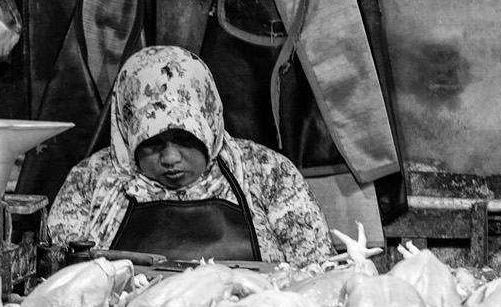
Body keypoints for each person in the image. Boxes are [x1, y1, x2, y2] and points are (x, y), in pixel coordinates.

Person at [45, 45, 334, 267]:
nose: (170, 158)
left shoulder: (267, 171)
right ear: (129, 135)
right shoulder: (92, 178)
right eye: (152, 143)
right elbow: (59, 275)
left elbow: (318, 272)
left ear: (209, 125)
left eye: (185, 139)